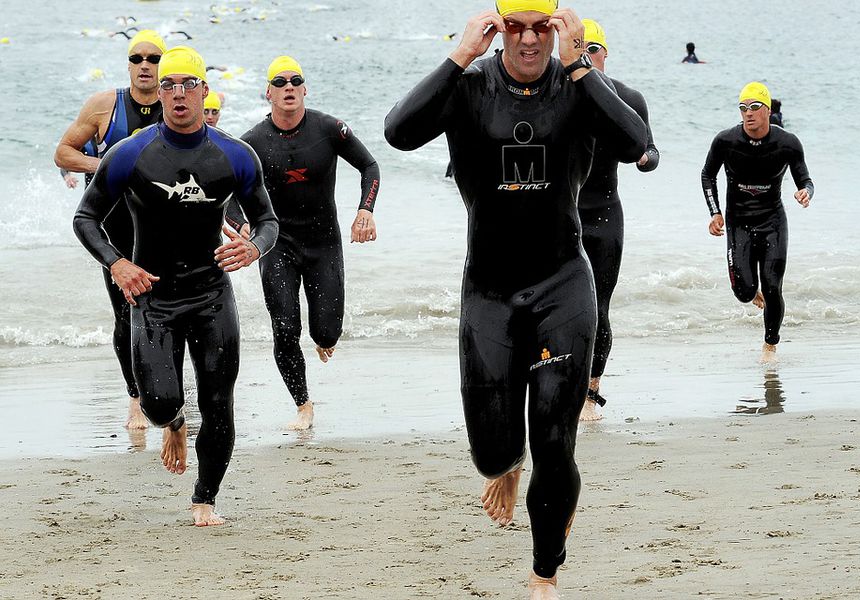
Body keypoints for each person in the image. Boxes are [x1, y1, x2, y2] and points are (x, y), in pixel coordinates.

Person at [384, 2, 647, 597]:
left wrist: (580, 64)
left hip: (562, 284)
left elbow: (637, 143)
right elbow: (398, 133)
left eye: (541, 28)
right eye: (515, 27)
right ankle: (506, 466)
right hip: (490, 291)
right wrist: (459, 55)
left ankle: (543, 572)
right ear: (497, 29)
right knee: (492, 453)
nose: (529, 40)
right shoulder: (470, 87)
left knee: (555, 441)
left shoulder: (578, 86)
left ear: (555, 31)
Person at [73, 46, 279, 526]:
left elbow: (267, 220)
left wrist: (254, 248)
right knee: (160, 402)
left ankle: (205, 500)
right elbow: (86, 217)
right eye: (169, 85)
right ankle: (175, 424)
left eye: (189, 85)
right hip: (154, 297)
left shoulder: (235, 155)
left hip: (211, 295)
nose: (178, 94)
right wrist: (117, 263)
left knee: (219, 401)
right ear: (158, 93)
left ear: (205, 91)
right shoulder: (130, 154)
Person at [227, 55, 380, 431]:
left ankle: (324, 336)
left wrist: (365, 210)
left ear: (305, 89)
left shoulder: (330, 129)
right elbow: (229, 195)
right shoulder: (252, 142)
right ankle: (303, 404)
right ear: (268, 93)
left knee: (326, 332)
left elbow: (369, 167)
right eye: (280, 82)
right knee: (284, 327)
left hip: (324, 242)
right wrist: (240, 225)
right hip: (277, 243)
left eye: (296, 80)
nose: (289, 87)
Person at [54, 30, 167, 431]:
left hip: (163, 228)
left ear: (163, 66)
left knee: (169, 310)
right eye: (137, 58)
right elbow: (63, 152)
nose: (144, 65)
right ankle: (135, 398)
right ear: (129, 64)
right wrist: (103, 167)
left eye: (153, 58)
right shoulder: (104, 105)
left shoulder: (176, 104)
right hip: (115, 228)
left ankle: (169, 389)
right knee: (126, 314)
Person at [577, 19, 659, 421]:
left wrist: (645, 158)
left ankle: (591, 393)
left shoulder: (628, 98)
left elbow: (651, 151)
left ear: (605, 54)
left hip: (605, 215)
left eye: (594, 50)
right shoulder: (562, 96)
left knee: (600, 307)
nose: (587, 57)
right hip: (562, 216)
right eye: (581, 50)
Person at [701, 82, 813, 361]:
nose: (748, 113)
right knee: (743, 291)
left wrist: (805, 193)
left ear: (767, 111)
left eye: (754, 107)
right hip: (738, 222)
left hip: (773, 220)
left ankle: (770, 345)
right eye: (743, 108)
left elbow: (806, 180)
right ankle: (752, 294)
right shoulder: (725, 141)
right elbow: (707, 175)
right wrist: (715, 212)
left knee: (773, 286)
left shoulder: (787, 142)